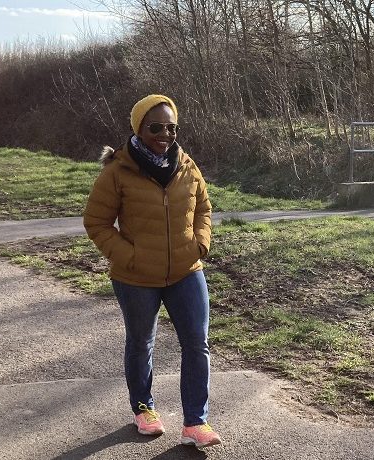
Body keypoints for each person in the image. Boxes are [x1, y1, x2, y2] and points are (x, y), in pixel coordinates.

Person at [83, 94, 221, 448]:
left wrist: (200, 244)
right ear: (139, 128)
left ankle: (196, 422)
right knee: (142, 342)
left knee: (197, 344)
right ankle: (144, 409)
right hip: (136, 278)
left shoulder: (187, 166)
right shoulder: (118, 170)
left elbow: (203, 208)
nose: (165, 134)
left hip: (187, 271)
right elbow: (97, 222)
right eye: (156, 127)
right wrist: (128, 256)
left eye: (171, 127)